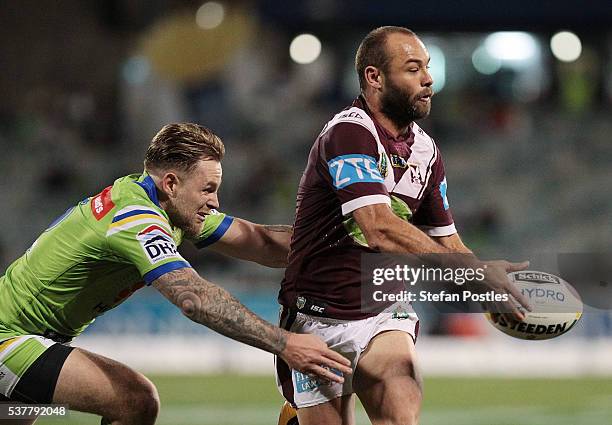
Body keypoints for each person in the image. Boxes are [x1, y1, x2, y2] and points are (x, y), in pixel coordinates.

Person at [0, 123, 351, 425]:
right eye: (208, 189)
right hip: (10, 337)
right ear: (171, 183)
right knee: (136, 400)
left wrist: (351, 238)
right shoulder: (135, 218)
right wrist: (284, 344)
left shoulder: (167, 210)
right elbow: (194, 299)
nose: (214, 202)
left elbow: (262, 242)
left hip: (36, 338)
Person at [275, 26, 530, 425]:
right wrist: (473, 273)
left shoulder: (426, 150)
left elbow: (447, 239)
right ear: (374, 77)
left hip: (383, 309)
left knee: (401, 413)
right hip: (318, 315)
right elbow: (378, 226)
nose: (428, 79)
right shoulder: (349, 132)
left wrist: (489, 287)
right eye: (413, 69)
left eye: (427, 67)